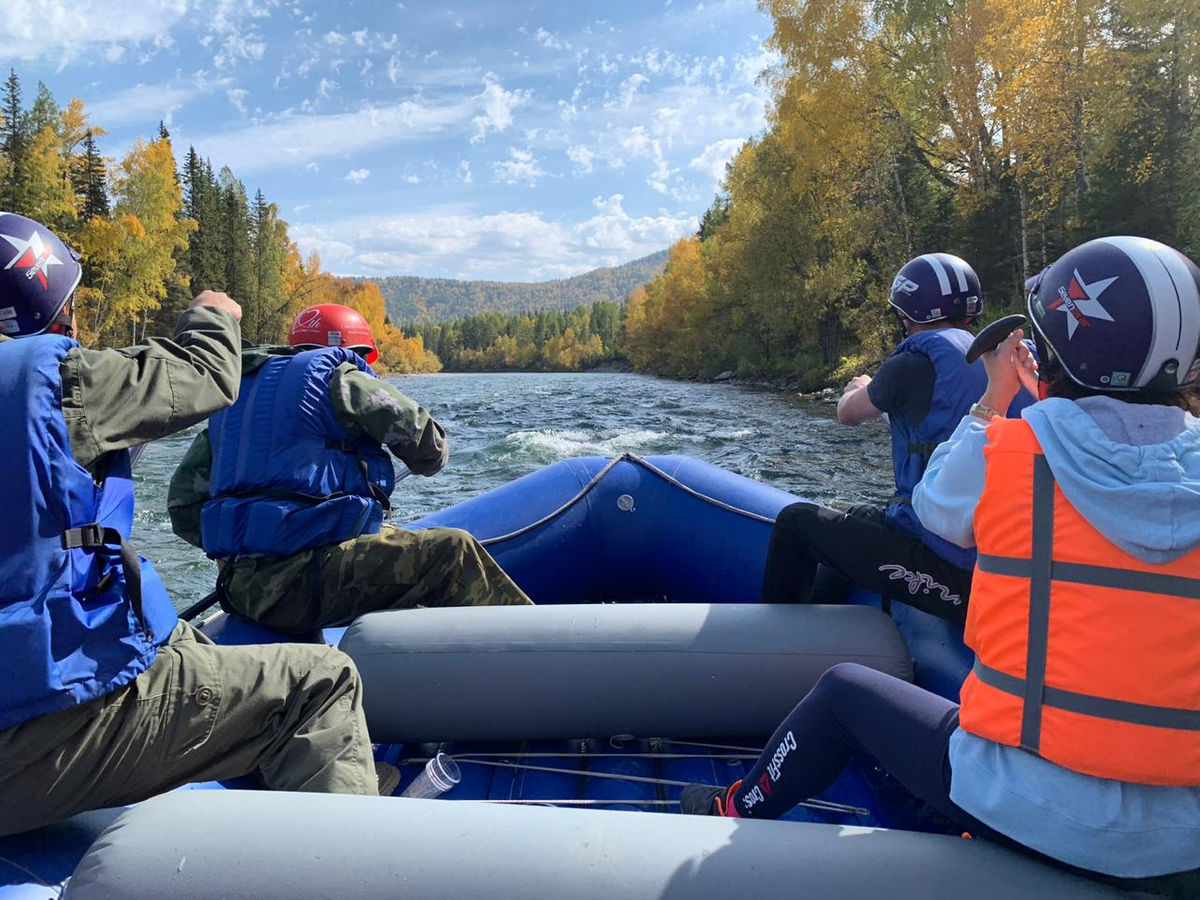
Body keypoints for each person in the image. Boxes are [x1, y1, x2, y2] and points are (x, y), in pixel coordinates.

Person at [681, 236, 1200, 895]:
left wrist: (996, 396)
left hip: (1026, 807)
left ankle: (734, 811)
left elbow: (933, 509)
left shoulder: (1009, 451)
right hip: (1180, 844)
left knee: (843, 691)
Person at [0, 214, 396, 838]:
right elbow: (207, 374)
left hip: (28, 697)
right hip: (31, 735)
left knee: (182, 645)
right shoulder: (54, 384)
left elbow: (186, 506)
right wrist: (213, 313)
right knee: (322, 683)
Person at [168, 302, 531, 635]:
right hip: (306, 585)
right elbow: (428, 446)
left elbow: (183, 508)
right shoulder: (341, 378)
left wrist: (249, 544)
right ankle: (542, 651)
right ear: (351, 351)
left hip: (240, 588)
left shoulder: (234, 399)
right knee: (454, 550)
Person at [762, 253, 1027, 624]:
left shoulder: (911, 364)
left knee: (795, 520)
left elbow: (847, 413)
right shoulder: (1006, 362)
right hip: (1008, 557)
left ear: (907, 314)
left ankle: (776, 642)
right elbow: (942, 425)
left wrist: (863, 386)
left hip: (956, 567)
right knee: (860, 516)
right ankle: (827, 624)